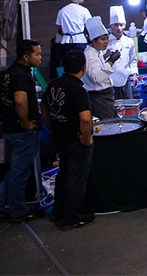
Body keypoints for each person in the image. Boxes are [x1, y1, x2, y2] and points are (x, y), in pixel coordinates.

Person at [0, 40, 43, 223]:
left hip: (9, 129)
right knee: (19, 175)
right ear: (26, 57)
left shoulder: (11, 72)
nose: (41, 58)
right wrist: (26, 123)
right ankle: (19, 211)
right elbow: (20, 100)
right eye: (37, 54)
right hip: (21, 133)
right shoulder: (22, 76)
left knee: (15, 172)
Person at [42, 50, 94, 230]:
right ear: (84, 67)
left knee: (63, 176)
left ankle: (58, 211)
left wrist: (51, 125)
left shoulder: (53, 85)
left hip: (59, 137)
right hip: (75, 140)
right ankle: (72, 217)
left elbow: (43, 106)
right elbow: (85, 119)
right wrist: (87, 139)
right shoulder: (78, 90)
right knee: (76, 179)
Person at [82, 16, 120, 119]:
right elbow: (96, 77)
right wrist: (111, 61)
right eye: (103, 39)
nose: (106, 42)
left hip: (105, 96)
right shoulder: (89, 54)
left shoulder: (96, 52)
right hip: (99, 98)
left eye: (107, 38)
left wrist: (105, 57)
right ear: (93, 41)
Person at [107, 5, 138, 99]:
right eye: (116, 25)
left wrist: (135, 74)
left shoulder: (129, 41)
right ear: (110, 26)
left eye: (121, 25)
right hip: (110, 80)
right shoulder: (106, 42)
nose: (119, 28)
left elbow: (133, 59)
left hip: (125, 79)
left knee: (128, 105)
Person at [54, 0, 91, 72]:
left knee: (68, 63)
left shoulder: (62, 10)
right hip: (80, 40)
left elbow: (60, 28)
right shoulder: (83, 10)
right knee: (81, 63)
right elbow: (89, 25)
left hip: (66, 41)